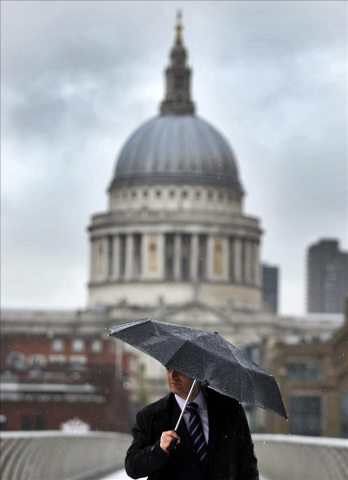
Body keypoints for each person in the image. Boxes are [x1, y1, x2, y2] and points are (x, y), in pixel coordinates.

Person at [125, 368, 259, 480]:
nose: (172, 376)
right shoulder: (150, 416)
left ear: (198, 371)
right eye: (168, 369)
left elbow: (247, 467)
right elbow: (132, 467)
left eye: (179, 369)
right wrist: (159, 450)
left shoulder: (231, 410)